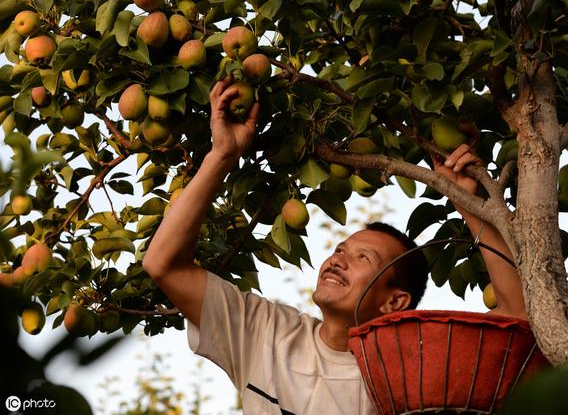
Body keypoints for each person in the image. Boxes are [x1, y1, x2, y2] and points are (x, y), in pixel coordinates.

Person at [143, 77, 527, 414]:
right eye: (340, 250)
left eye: (363, 258)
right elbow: (164, 264)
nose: (338, 261)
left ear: (395, 302)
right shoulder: (266, 333)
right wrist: (222, 155)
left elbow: (520, 318)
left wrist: (470, 207)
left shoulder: (413, 368)